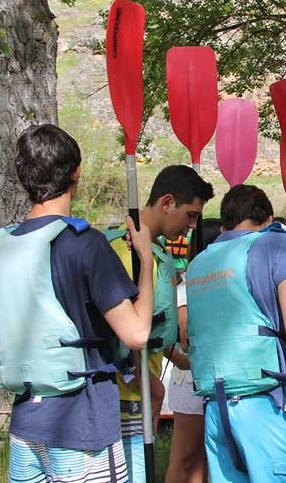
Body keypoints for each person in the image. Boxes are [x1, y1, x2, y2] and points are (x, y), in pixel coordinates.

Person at [0, 124, 155, 483]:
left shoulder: (1, 249)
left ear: (20, 178)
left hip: (25, 426)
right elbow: (137, 333)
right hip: (84, 429)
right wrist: (146, 259)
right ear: (76, 172)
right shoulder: (86, 243)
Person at [186, 184, 286, 482]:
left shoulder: (200, 261)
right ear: (267, 220)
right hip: (267, 405)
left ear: (226, 223)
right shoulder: (275, 244)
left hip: (217, 408)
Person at [107, 165, 214, 482]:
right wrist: (151, 387)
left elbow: (155, 327)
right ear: (167, 202)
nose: (192, 226)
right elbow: (118, 333)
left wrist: (178, 360)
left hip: (142, 394)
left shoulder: (158, 254)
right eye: (191, 215)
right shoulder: (125, 253)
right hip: (123, 399)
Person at [165, 219, 224, 483]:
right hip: (191, 381)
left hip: (213, 379)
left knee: (205, 459)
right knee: (185, 459)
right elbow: (185, 339)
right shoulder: (188, 286)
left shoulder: (220, 283)